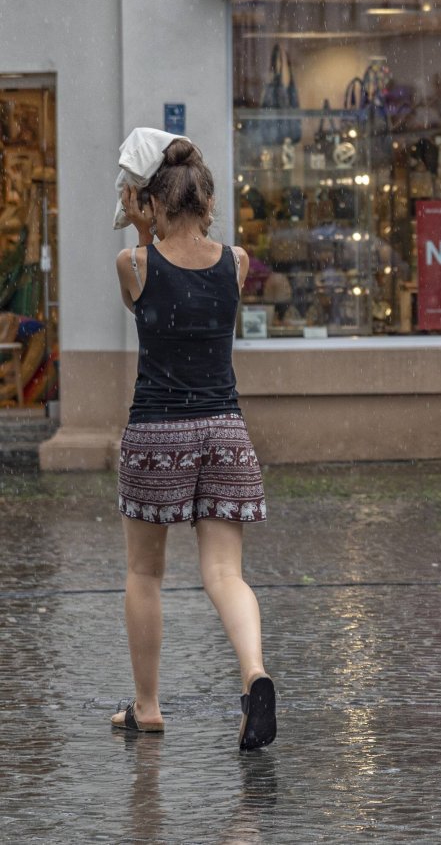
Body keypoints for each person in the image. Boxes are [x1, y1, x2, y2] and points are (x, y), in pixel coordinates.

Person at [111, 138, 276, 750]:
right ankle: (254, 674)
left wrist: (136, 216)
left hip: (157, 431)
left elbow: (140, 292)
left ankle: (147, 706)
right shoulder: (236, 261)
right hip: (225, 432)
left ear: (150, 201)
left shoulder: (135, 264)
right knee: (225, 573)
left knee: (144, 572)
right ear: (207, 200)